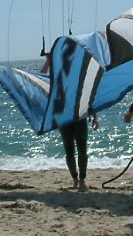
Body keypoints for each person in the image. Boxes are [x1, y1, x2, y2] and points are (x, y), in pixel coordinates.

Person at [41, 52, 100, 191]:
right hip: (64, 117)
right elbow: (42, 77)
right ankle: (75, 179)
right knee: (69, 149)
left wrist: (95, 117)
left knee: (82, 148)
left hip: (79, 116)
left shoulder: (79, 78)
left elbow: (88, 98)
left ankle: (82, 180)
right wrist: (48, 62)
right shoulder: (57, 79)